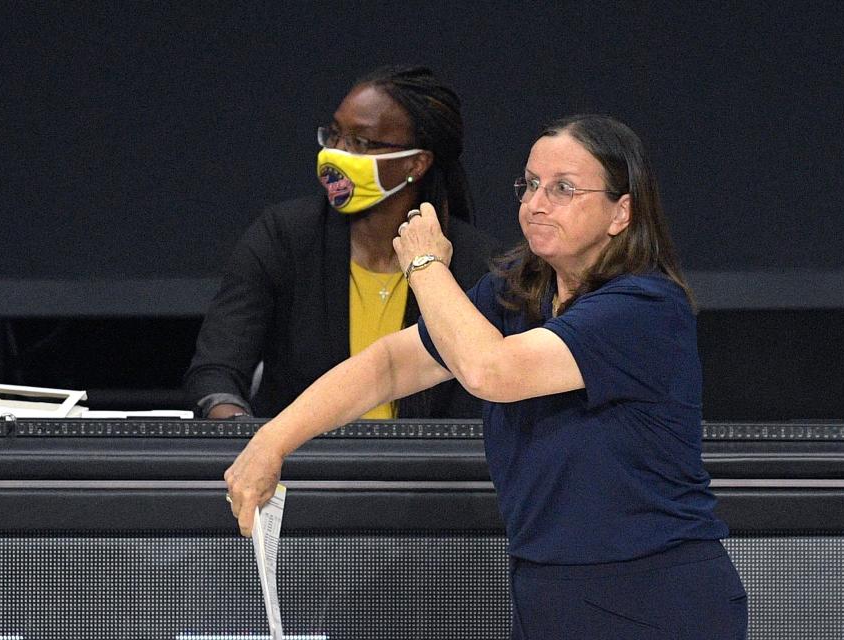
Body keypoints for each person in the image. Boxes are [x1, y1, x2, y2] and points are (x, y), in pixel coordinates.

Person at [224, 114, 747, 639]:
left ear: (621, 212)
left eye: (563, 189)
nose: (536, 203)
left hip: (653, 595)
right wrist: (272, 441)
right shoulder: (517, 293)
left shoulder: (646, 307)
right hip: (545, 593)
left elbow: (492, 372)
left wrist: (425, 264)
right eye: (531, 185)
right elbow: (389, 365)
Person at [184, 65, 496, 420]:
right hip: (299, 470)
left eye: (360, 142)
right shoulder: (284, 237)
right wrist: (250, 440)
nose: (338, 154)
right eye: (334, 136)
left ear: (417, 163)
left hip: (432, 474)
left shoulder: (477, 264)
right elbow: (215, 373)